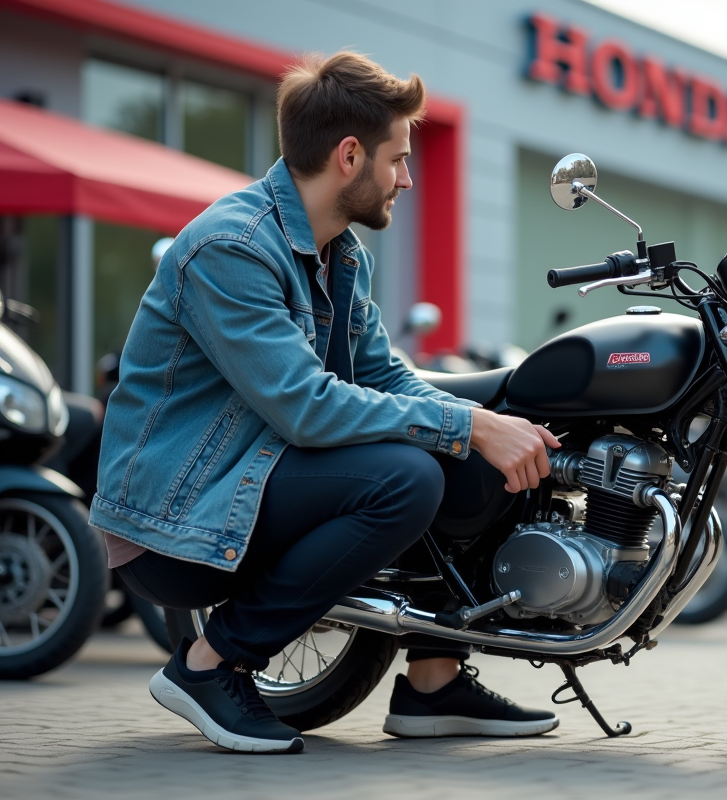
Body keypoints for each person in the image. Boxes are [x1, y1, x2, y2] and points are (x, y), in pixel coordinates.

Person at [90, 51, 561, 754]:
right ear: (349, 156)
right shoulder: (232, 248)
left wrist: (488, 426)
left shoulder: (339, 254)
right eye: (398, 158)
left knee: (468, 458)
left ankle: (432, 681)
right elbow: (306, 407)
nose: (407, 177)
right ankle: (209, 666)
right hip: (177, 519)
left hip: (256, 478)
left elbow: (386, 377)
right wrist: (464, 425)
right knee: (407, 477)